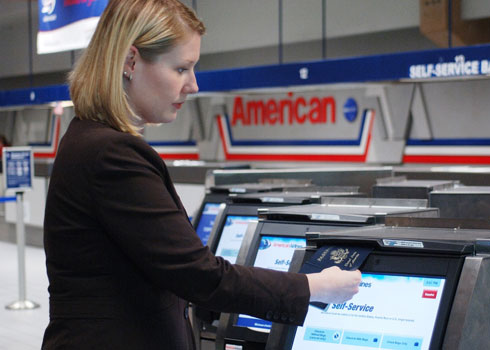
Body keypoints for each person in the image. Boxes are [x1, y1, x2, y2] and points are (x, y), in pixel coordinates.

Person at [41, 0, 361, 349]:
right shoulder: (111, 154)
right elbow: (200, 276)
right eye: (181, 68)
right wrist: (313, 287)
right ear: (130, 61)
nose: (193, 85)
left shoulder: (87, 139)